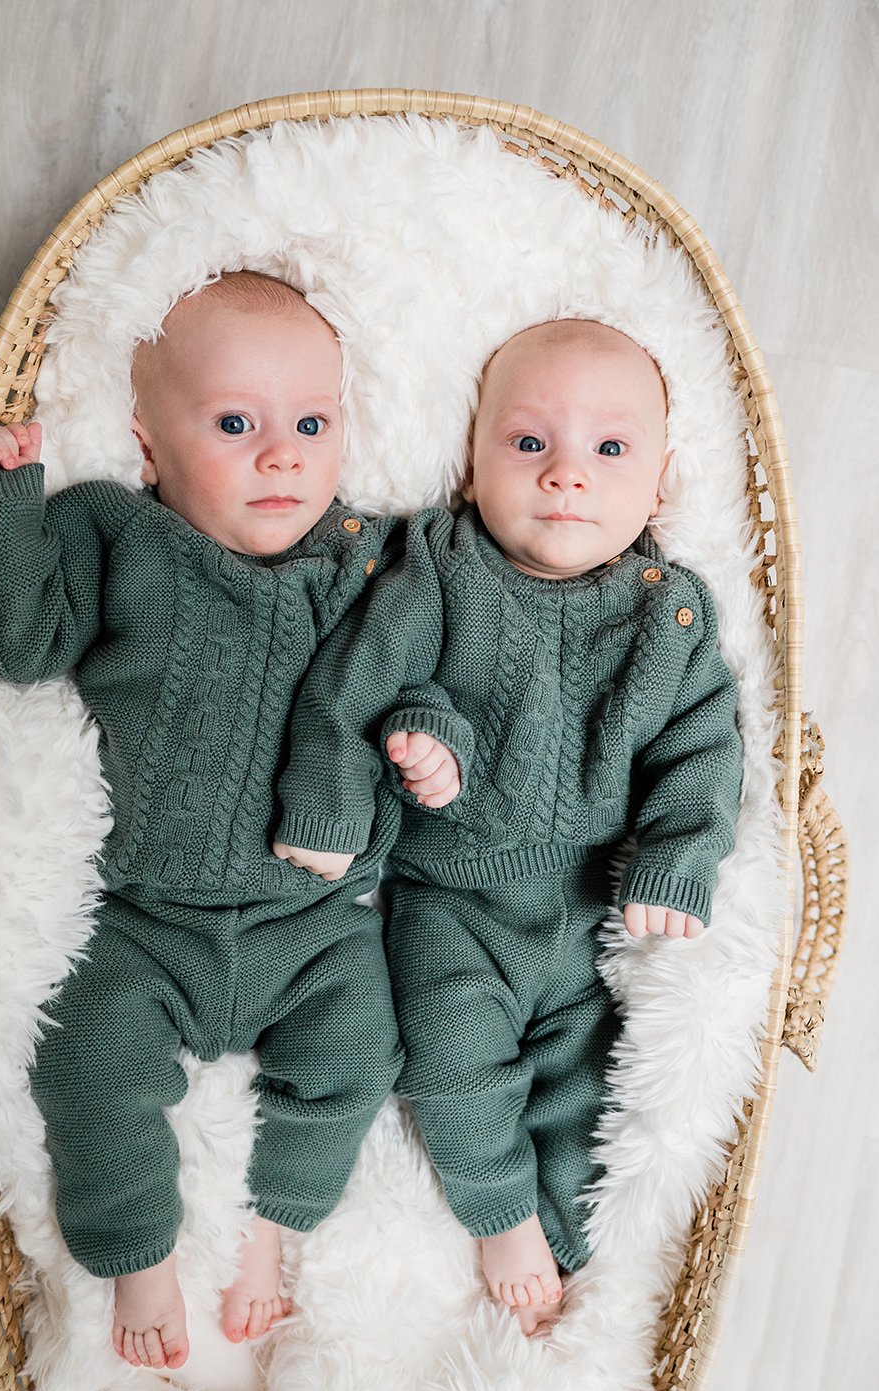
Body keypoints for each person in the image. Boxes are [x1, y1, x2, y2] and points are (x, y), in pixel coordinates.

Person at [0, 271, 451, 1371]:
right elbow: (18, 645)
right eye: (235, 425)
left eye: (310, 425)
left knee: (360, 1052)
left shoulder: (368, 567)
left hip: (315, 924)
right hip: (149, 919)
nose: (281, 455)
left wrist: (422, 735)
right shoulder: (121, 540)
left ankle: (274, 1234)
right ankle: (137, 1256)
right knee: (85, 1064)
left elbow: (416, 674)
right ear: (147, 449)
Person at [273, 318, 744, 1336]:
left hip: (587, 915)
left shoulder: (668, 616)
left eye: (607, 451)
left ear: (658, 485)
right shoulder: (439, 571)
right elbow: (351, 680)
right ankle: (497, 1214)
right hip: (449, 904)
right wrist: (344, 795)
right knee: (448, 1054)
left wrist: (675, 858)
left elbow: (703, 749)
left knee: (588, 1080)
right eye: (529, 444)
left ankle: (573, 1246)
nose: (565, 476)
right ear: (470, 464)